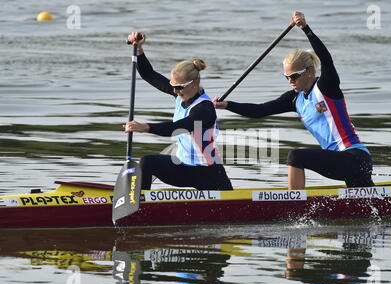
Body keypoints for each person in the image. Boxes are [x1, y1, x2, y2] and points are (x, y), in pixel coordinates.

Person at [213, 12, 374, 189]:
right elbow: (259, 110)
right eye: (287, 77)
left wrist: (306, 28)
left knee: (296, 157)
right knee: (374, 204)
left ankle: (295, 207)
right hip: (341, 163)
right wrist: (228, 105)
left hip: (355, 158)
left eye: (295, 76)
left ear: (310, 71)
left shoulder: (327, 87)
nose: (291, 81)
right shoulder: (294, 99)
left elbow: (327, 59)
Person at [124, 32, 233, 191]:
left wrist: (146, 127)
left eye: (179, 87)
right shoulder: (180, 92)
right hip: (182, 166)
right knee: (148, 162)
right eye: (173, 86)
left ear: (195, 83)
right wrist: (139, 49)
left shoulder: (205, 108)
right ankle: (141, 204)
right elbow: (149, 75)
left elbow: (178, 128)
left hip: (207, 172)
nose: (175, 91)